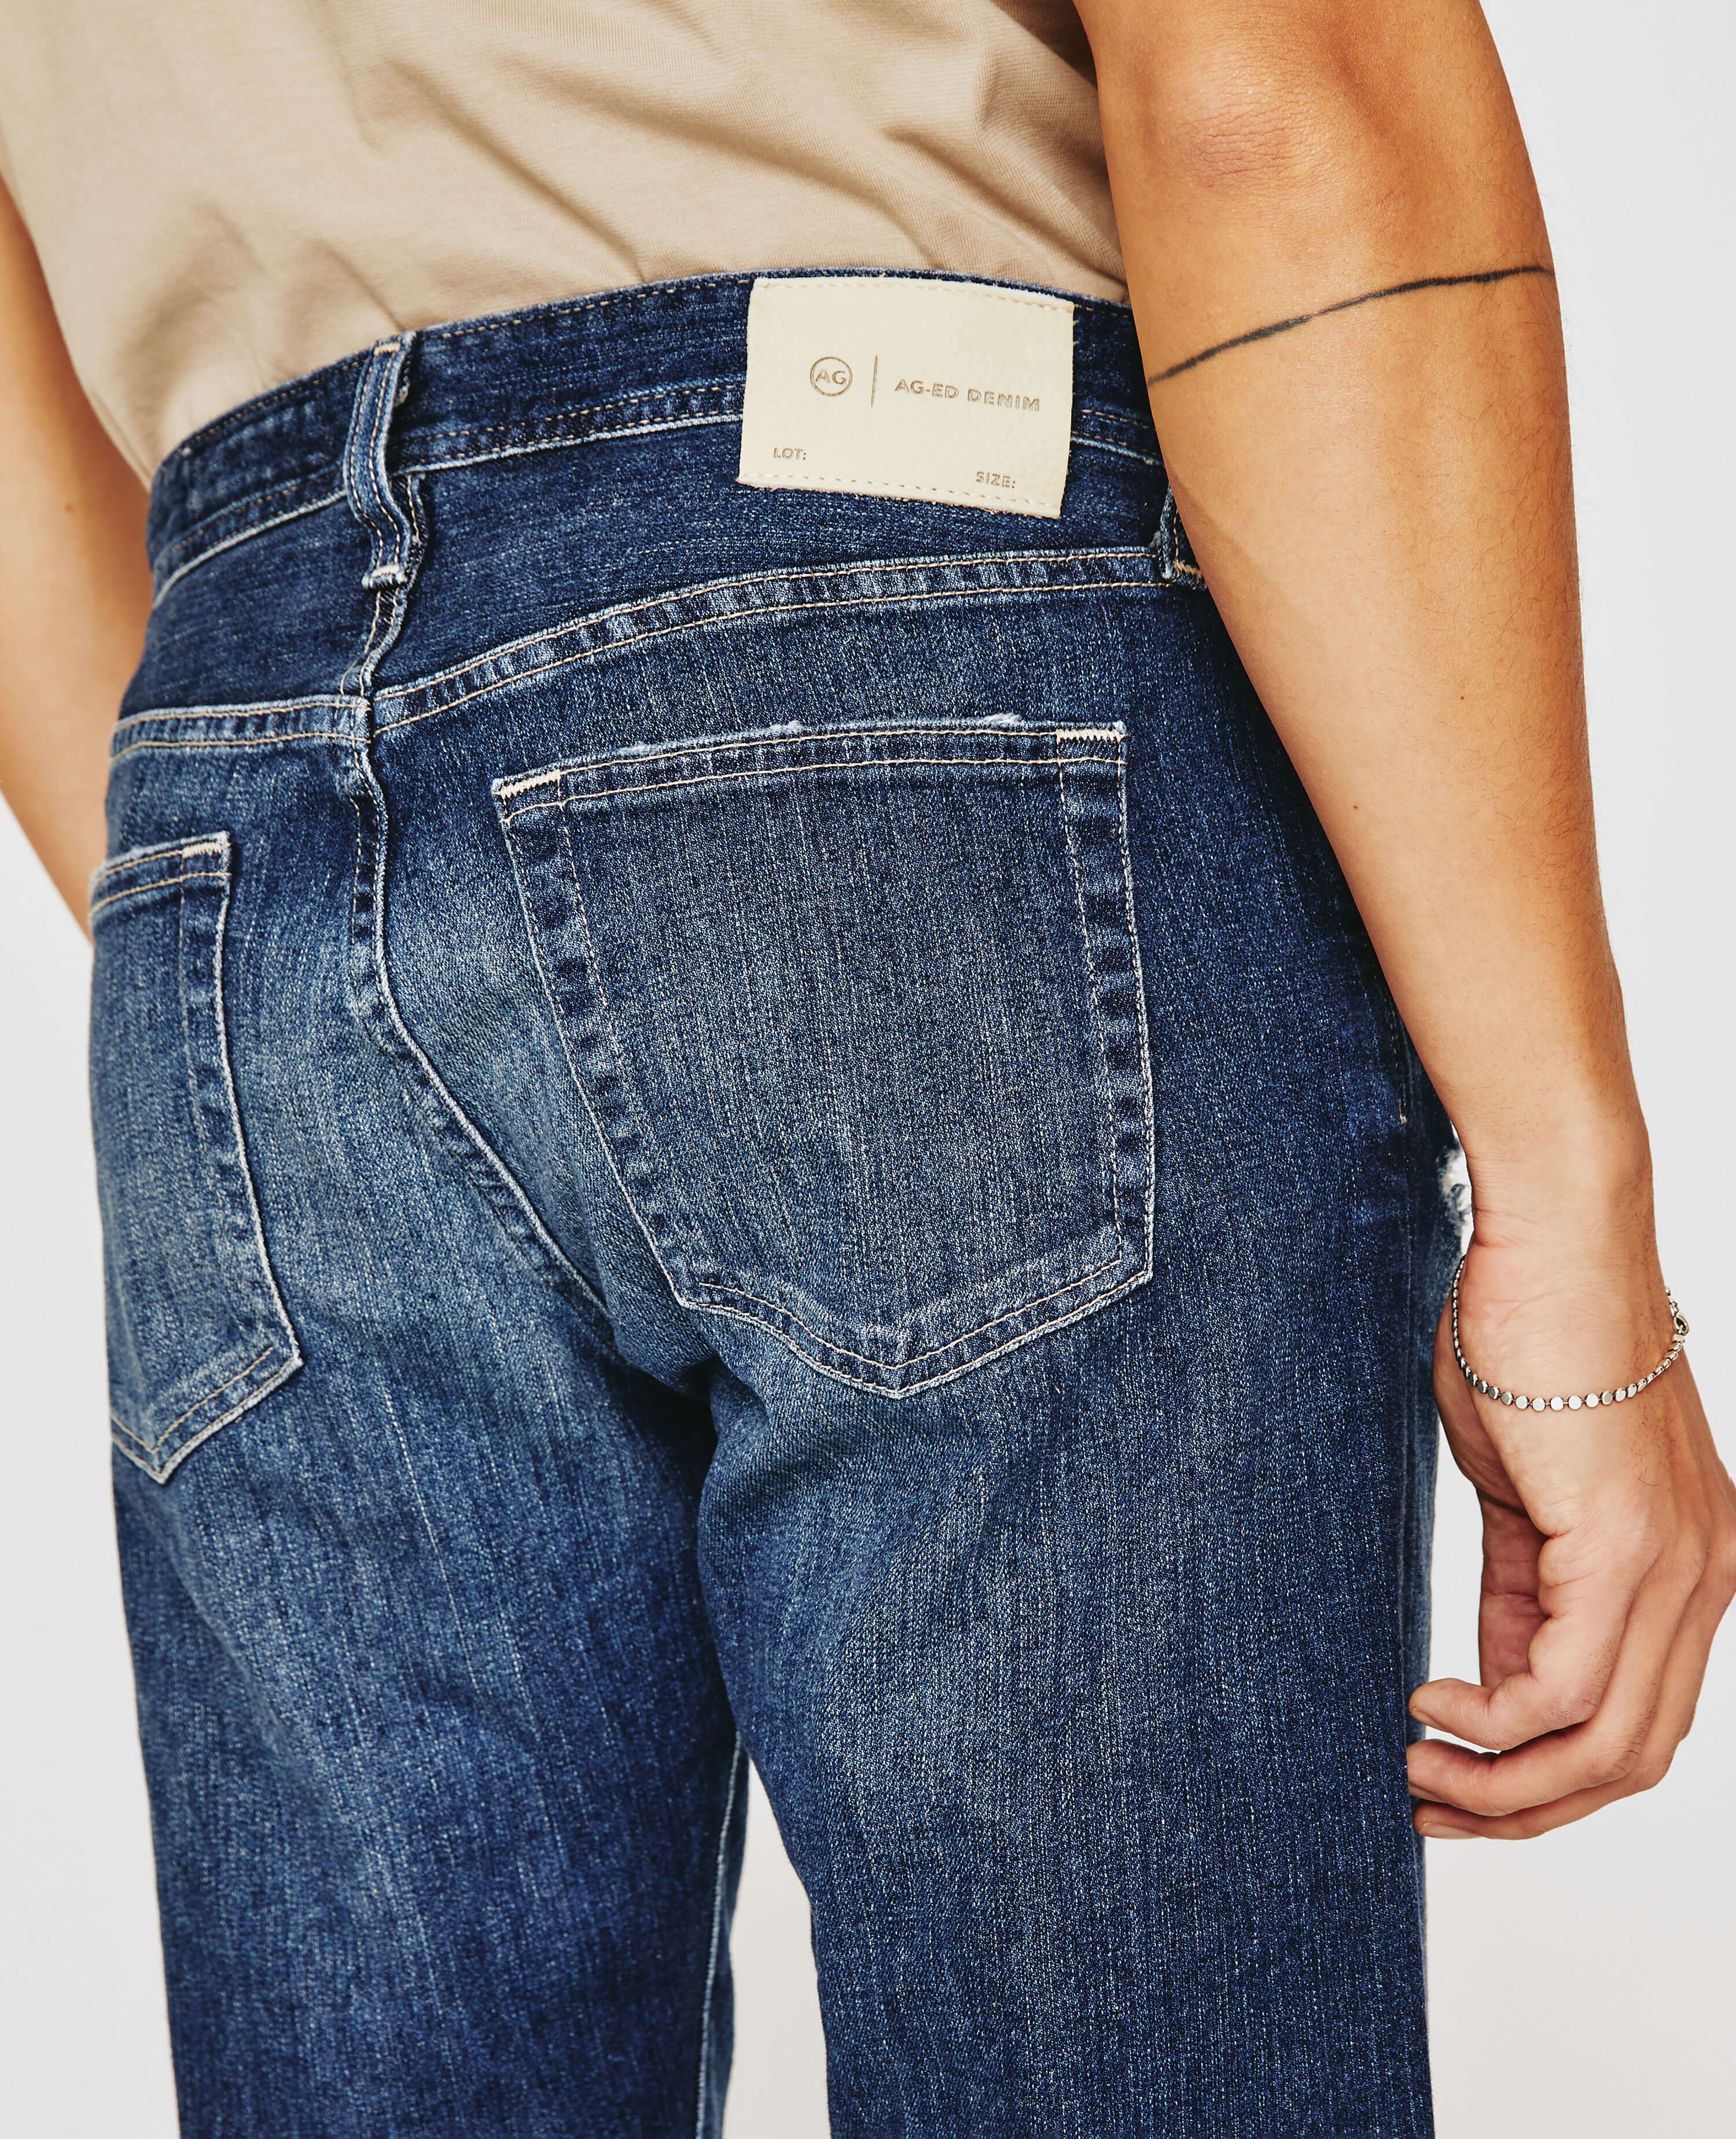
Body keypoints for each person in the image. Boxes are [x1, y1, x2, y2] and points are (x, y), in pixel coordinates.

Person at [1, 2, 1730, 2133]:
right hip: (915, 635)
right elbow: (1279, 95)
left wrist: (272, 946)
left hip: (229, 777)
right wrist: (1569, 1208)